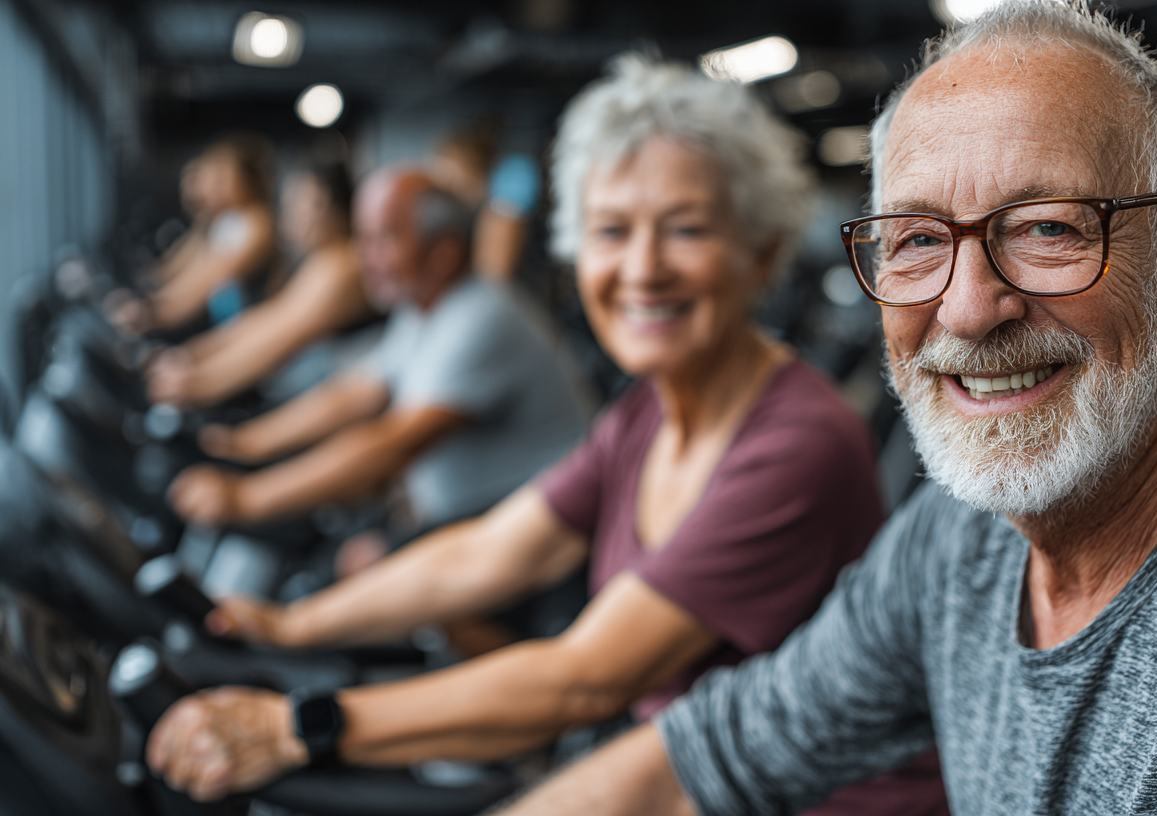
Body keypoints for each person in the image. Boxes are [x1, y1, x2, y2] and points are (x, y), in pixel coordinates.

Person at [497, 4, 1157, 815]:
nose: (966, 309)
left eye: (1046, 228)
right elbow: (705, 759)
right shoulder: (956, 541)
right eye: (917, 241)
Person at [143, 55, 948, 814]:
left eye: (686, 229)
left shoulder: (797, 443)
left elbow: (584, 679)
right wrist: (292, 626)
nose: (642, 269)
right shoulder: (643, 414)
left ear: (761, 253)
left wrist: (296, 727)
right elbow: (484, 554)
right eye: (611, 231)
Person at [165, 169, 588, 535]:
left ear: (444, 252)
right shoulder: (421, 309)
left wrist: (247, 497)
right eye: (363, 239)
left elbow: (392, 444)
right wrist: (246, 442)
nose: (367, 259)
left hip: (535, 541)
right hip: (464, 523)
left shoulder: (481, 317)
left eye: (383, 239)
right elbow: (353, 394)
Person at [146, 162, 375, 408]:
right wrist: (190, 356)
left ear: (342, 212)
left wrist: (199, 385)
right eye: (290, 203)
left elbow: (278, 340)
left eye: (311, 204)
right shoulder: (322, 259)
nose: (294, 214)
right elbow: (264, 320)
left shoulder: (342, 266)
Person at [111, 133, 278, 333]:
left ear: (246, 181)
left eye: (222, 180)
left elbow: (201, 285)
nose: (210, 188)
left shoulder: (256, 222)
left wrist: (148, 312)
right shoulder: (222, 221)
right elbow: (168, 274)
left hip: (238, 332)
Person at [430, 122, 543, 283]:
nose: (446, 187)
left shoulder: (513, 173)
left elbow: (493, 273)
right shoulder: (479, 206)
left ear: (468, 160)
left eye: (449, 178)